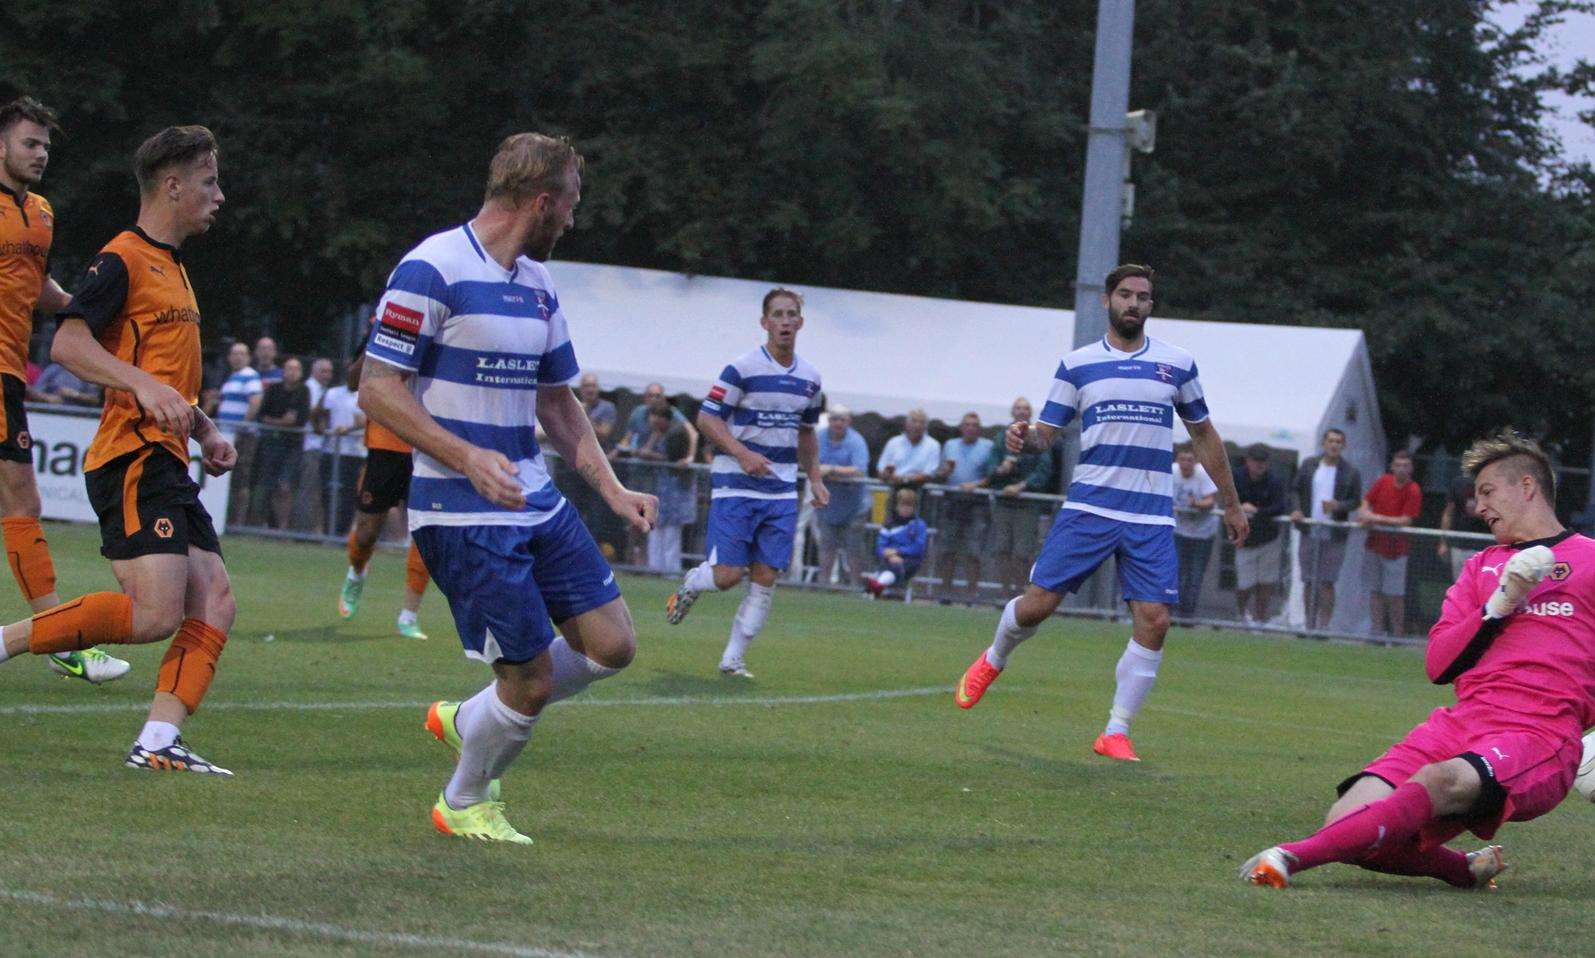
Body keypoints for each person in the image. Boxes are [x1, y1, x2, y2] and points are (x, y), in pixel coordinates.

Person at [360, 132, 657, 843]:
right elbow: (377, 389)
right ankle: (461, 802)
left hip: (536, 500)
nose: (573, 223)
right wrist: (464, 456)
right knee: (528, 683)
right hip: (461, 513)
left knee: (612, 645)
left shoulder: (538, 284)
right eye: (572, 207)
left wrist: (611, 489)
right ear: (543, 202)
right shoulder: (430, 268)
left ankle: (469, 717)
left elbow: (557, 402)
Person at [1241, 429, 1591, 891]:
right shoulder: (1480, 568)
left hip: (1537, 730)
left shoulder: (1589, 560)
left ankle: (1288, 857)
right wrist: (1499, 604)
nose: (1479, 507)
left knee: (1439, 780)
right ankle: (1460, 869)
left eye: (1487, 492)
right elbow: (1438, 665)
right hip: (1462, 721)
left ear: (1527, 486)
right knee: (1345, 821)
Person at [0, 125, 236, 772]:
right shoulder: (122, 258)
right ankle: (8, 641)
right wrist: (142, 386)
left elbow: (162, 376)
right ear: (172, 186)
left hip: (168, 456)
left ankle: (158, 742)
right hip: (131, 458)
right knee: (156, 612)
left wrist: (206, 429)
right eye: (210, 181)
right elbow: (69, 346)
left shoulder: (176, 270)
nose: (220, 195)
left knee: (214, 599)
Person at [953, 264, 1247, 763]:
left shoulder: (1176, 365)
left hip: (1150, 513)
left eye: (1143, 297)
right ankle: (994, 657)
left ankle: (1116, 729)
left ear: (1151, 306)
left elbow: (1203, 434)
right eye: (1126, 295)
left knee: (1155, 620)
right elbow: (1049, 432)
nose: (1134, 304)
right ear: (1107, 301)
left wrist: (1231, 500)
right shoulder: (1078, 364)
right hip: (1090, 506)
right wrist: (1025, 441)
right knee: (1037, 605)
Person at [0, 95, 129, 684]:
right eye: (30, 142)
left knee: (19, 504)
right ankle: (57, 636)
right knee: (22, 503)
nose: (41, 153)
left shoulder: (42, 212)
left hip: (8, 372)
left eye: (46, 145)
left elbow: (37, 284)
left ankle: (54, 635)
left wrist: (86, 311)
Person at [665, 287, 828, 679]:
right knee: (726, 576)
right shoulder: (741, 369)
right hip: (736, 484)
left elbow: (806, 433)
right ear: (764, 322)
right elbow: (707, 419)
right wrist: (741, 452)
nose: (786, 321)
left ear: (801, 323)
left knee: (767, 575)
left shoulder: (810, 378)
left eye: (792, 315)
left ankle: (733, 658)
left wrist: (816, 479)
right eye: (778, 314)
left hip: (782, 488)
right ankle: (694, 580)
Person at [336, 349, 431, 640]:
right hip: (386, 447)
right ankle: (357, 571)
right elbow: (354, 382)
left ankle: (409, 614)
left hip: (430, 444)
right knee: (366, 532)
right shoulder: (386, 325)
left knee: (427, 532)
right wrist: (375, 346)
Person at [1289, 428, 1362, 630]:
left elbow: (1356, 501)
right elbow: (1295, 489)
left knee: (1327, 582)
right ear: (1324, 443)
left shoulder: (1351, 472)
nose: (1334, 445)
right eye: (1331, 441)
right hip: (1309, 530)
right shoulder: (1309, 465)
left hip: (1334, 533)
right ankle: (1309, 624)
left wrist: (1338, 505)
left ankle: (1323, 626)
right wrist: (1296, 510)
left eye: (1339, 441)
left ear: (1343, 445)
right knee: (1309, 581)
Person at [983, 396, 1053, 595]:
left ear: (1030, 414)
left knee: (1023, 551)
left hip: (1028, 502)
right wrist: (1000, 470)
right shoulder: (1001, 437)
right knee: (1002, 548)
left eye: (1025, 409)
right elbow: (990, 467)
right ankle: (1004, 592)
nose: (1022, 411)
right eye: (1018, 408)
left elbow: (1044, 470)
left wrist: (1022, 486)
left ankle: (1020, 593)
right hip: (1003, 501)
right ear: (1012, 412)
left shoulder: (1038, 436)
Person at [1359, 449, 1424, 636]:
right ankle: (1376, 632)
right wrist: (1365, 512)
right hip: (1374, 545)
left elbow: (1405, 520)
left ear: (1411, 468)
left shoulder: (1413, 490)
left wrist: (1375, 518)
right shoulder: (1383, 481)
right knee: (1375, 591)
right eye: (1398, 465)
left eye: (1406, 465)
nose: (1401, 469)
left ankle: (1397, 634)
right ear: (1392, 466)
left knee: (1395, 595)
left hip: (1396, 550)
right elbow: (1366, 502)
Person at [933, 411, 994, 598]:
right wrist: (945, 471)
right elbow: (940, 474)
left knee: (973, 550)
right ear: (961, 428)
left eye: (974, 425)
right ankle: (945, 591)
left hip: (977, 502)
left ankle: (972, 594)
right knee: (947, 548)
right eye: (967, 424)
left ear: (980, 429)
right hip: (952, 500)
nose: (970, 428)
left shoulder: (988, 446)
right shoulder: (950, 446)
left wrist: (976, 485)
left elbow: (992, 475)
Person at [248, 355, 310, 528]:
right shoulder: (273, 389)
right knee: (265, 485)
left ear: (301, 372)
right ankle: (263, 524)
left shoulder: (303, 391)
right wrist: (282, 422)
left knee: (284, 486)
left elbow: (299, 420)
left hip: (292, 446)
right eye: (289, 368)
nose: (292, 372)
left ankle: (282, 528)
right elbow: (262, 415)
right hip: (270, 444)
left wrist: (274, 421)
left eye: (296, 369)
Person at [814, 404, 870, 584]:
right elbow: (808, 462)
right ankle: (823, 585)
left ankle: (855, 587)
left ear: (849, 422)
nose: (838, 423)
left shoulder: (857, 441)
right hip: (827, 503)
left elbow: (859, 470)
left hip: (855, 505)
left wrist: (831, 469)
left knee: (854, 548)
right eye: (834, 418)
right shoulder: (819, 437)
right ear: (829, 420)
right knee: (826, 547)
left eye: (842, 419)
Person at [635, 405, 695, 572]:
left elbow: (672, 458)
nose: (653, 420)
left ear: (665, 419)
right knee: (656, 525)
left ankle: (671, 569)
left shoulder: (676, 433)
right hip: (660, 488)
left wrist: (652, 455)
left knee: (671, 530)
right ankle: (655, 566)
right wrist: (654, 436)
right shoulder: (656, 433)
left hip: (675, 489)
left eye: (657, 416)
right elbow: (644, 451)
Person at [1234, 444, 1287, 625]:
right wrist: (1239, 508)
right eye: (1256, 461)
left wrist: (1257, 511)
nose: (1259, 465)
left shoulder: (1274, 481)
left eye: (1262, 462)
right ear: (1248, 461)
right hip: (1244, 538)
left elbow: (1280, 506)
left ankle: (1260, 618)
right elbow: (1227, 500)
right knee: (1244, 582)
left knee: (1266, 581)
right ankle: (1241, 615)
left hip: (1268, 538)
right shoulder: (1237, 476)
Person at [1170, 442, 1218, 619]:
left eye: (1189, 460)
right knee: (1176, 571)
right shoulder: (1172, 472)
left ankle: (1187, 614)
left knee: (1195, 574)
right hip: (1179, 530)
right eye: (1182, 459)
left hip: (1202, 532)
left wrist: (1196, 504)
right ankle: (1172, 612)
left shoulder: (1202, 474)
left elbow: (1210, 500)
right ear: (1177, 459)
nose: (1185, 463)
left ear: (1195, 461)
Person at [315, 368, 364, 535]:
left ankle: (342, 532)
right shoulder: (333, 393)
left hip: (355, 453)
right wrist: (319, 427)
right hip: (332, 451)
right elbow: (318, 412)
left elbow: (364, 420)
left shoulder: (365, 394)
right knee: (328, 491)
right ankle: (327, 530)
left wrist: (348, 429)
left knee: (349, 494)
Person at [862, 487, 928, 597]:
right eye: (903, 505)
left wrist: (897, 552)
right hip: (889, 558)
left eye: (909, 506)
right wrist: (887, 554)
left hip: (910, 560)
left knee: (894, 567)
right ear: (897, 506)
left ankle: (876, 587)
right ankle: (874, 588)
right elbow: (880, 546)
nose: (906, 509)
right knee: (888, 565)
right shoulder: (889, 525)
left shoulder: (919, 524)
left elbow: (918, 547)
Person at [1438, 472, 1490, 579]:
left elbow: (1500, 515)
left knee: (1482, 587)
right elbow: (1448, 513)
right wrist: (1443, 542)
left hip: (1485, 546)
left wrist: (1480, 512)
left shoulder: (1494, 484)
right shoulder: (1458, 483)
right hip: (1459, 545)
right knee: (1460, 585)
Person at [875, 408, 940, 488]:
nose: (917, 425)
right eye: (914, 421)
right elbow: (881, 468)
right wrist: (886, 474)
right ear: (906, 424)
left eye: (921, 422)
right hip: (892, 486)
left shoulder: (933, 445)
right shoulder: (893, 442)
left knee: (905, 496)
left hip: (918, 488)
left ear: (926, 427)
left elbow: (929, 474)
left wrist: (905, 480)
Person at [213, 341, 261, 432]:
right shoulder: (230, 377)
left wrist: (243, 425)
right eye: (235, 354)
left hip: (241, 433)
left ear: (249, 358)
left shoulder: (251, 375)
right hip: (226, 430)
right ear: (229, 357)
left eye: (242, 354)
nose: (238, 357)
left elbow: (255, 402)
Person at [577, 372, 618, 451]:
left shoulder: (607, 407)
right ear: (581, 389)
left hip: (599, 453)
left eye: (593, 386)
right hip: (578, 452)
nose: (590, 389)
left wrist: (584, 415)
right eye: (586, 386)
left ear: (598, 388)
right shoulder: (574, 407)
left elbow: (604, 434)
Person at [29, 361, 98, 405]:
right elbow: (36, 391)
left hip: (78, 416)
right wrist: (48, 398)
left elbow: (95, 399)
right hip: (52, 414)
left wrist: (75, 394)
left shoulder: (86, 372)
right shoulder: (53, 369)